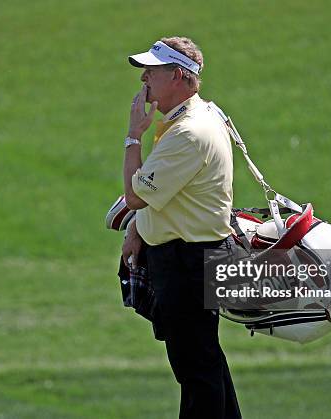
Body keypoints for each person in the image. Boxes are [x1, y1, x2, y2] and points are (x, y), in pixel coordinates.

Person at [120, 36, 242, 419]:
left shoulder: (189, 133)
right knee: (206, 363)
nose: (143, 79)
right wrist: (139, 229)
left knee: (196, 372)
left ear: (177, 76)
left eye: (152, 72)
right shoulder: (196, 118)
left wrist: (133, 136)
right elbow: (168, 196)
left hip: (188, 262)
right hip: (193, 256)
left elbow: (135, 195)